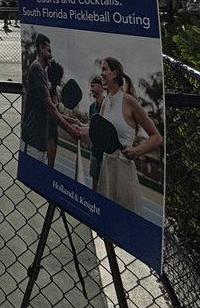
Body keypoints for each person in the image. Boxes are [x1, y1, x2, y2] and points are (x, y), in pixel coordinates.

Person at [88, 57, 162, 215]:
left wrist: (137, 151)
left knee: (124, 222)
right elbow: (97, 131)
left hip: (124, 171)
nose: (101, 73)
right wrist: (74, 125)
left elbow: (156, 137)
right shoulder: (106, 102)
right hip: (106, 169)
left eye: (104, 69)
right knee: (105, 220)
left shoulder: (129, 101)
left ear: (114, 73)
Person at [20, 33, 81, 165]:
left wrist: (72, 122)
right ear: (41, 49)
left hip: (40, 141)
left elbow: (51, 109)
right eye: (49, 51)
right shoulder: (37, 68)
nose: (51, 55)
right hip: (33, 140)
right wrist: (70, 129)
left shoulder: (42, 72)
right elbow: (50, 107)